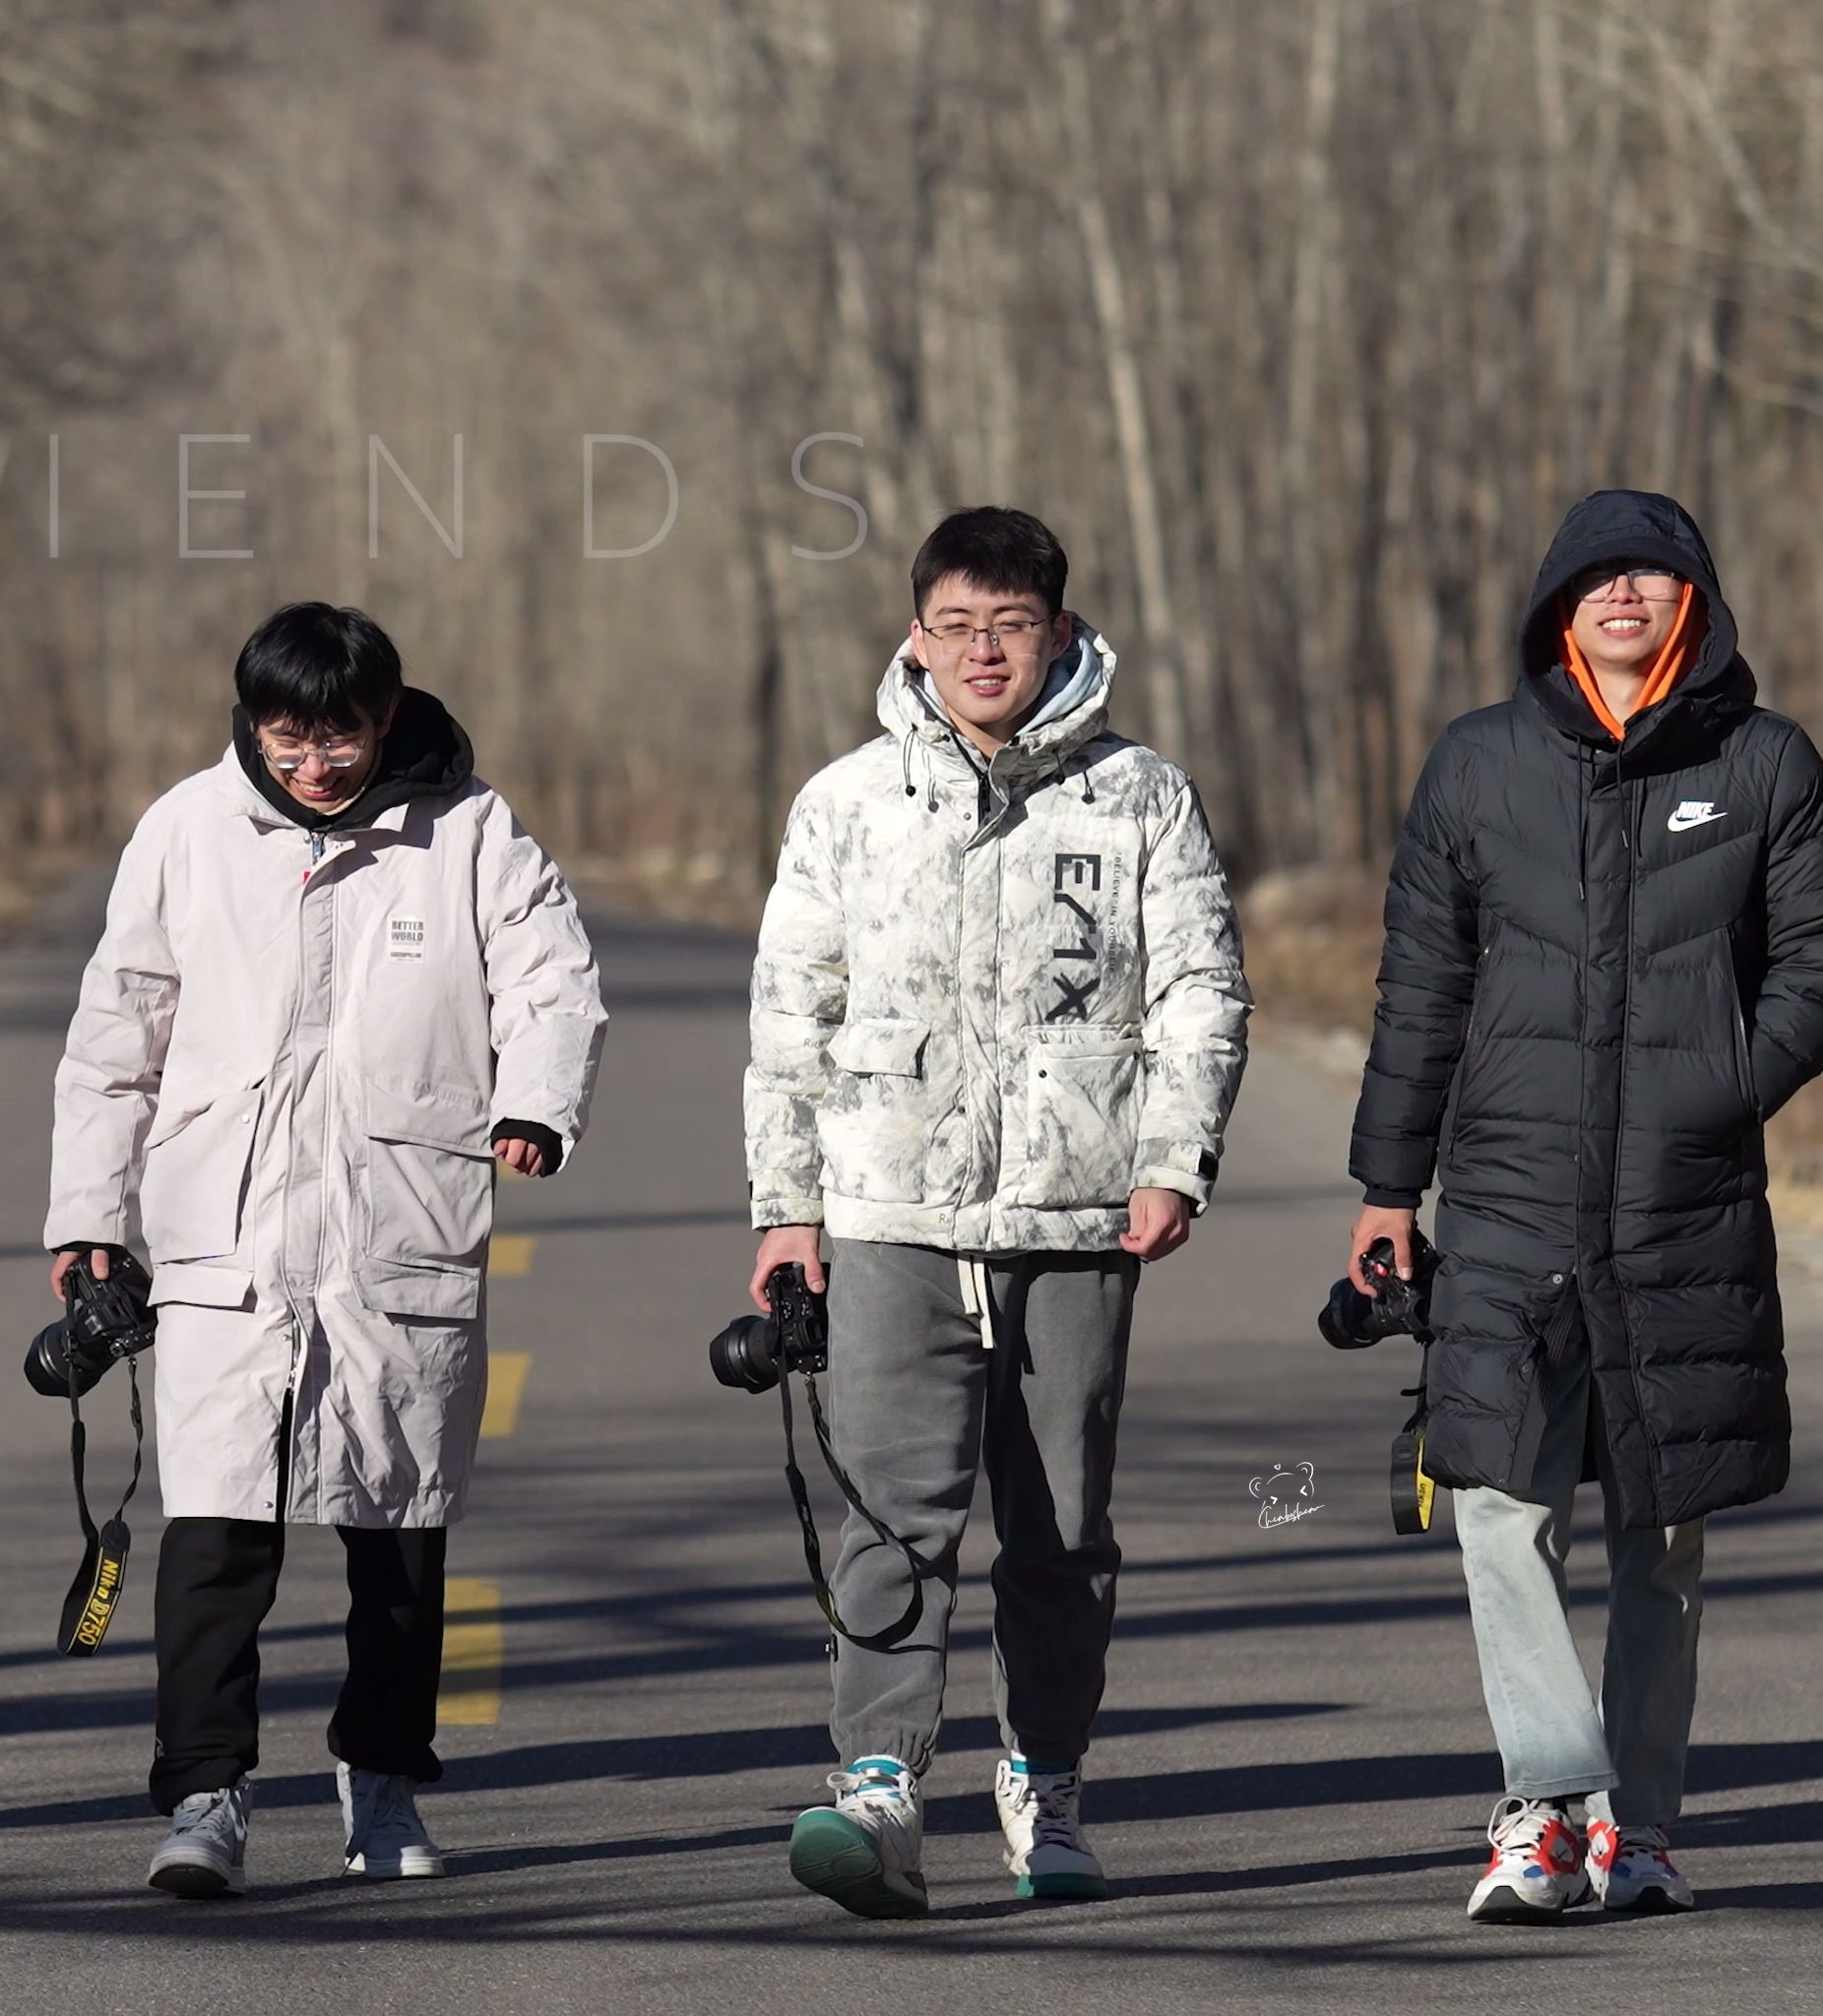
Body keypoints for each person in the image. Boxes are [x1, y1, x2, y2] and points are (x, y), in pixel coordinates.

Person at [45, 601, 606, 1897]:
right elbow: (116, 1035)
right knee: (216, 1535)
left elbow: (553, 982)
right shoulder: (188, 828)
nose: (315, 765)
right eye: (288, 739)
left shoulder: (467, 832)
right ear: (251, 724)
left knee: (399, 1533)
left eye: (340, 738)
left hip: (396, 1232)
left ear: (386, 720)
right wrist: (89, 1216)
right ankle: (203, 1794)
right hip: (222, 1239)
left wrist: (536, 1100)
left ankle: (384, 1777)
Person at [743, 507, 1250, 1917]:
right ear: (916, 634)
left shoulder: (1140, 793)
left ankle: (1048, 1777)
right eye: (958, 625)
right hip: (889, 1203)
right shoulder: (847, 802)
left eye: (1011, 625)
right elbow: (794, 1012)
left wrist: (1173, 1159)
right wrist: (787, 1207)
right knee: (893, 1512)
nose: (984, 651)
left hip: (1079, 1215)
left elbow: (1200, 988)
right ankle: (880, 1785)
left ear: (1059, 632)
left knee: (1063, 1525)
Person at [1346, 488, 1823, 1922]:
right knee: (1496, 1501)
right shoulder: (1480, 764)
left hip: (1684, 1201)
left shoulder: (1766, 764)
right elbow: (1422, 985)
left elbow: (1811, 961)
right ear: (1558, 605)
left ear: (1696, 602)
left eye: (1655, 574)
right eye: (1598, 574)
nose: (1625, 593)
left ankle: (1650, 1828)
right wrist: (1386, 1186)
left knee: (1663, 1533)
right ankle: (1549, 1808)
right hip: (1503, 1198)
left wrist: (1727, 1087)